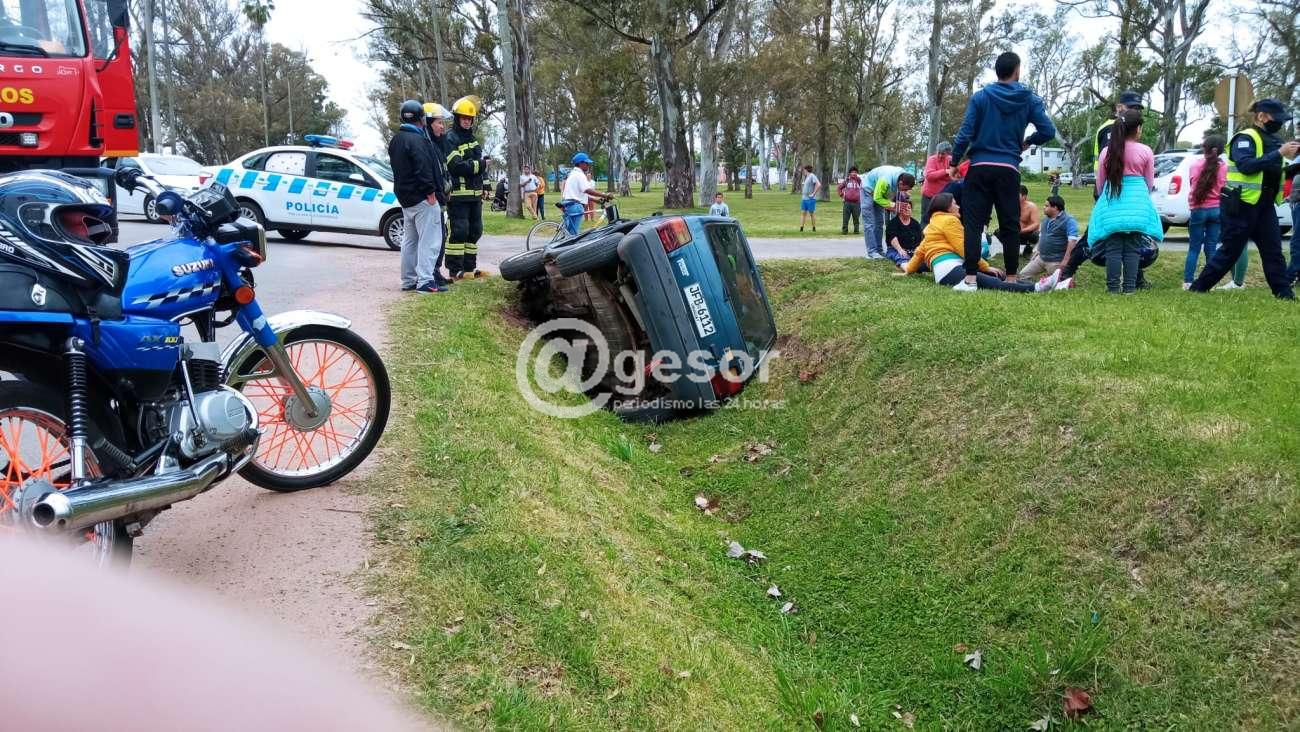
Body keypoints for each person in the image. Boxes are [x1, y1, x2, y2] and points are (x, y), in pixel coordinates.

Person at [947, 51, 1056, 291]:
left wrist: (954, 162)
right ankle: (1012, 278)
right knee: (1010, 224)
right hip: (1008, 168)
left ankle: (970, 279)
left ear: (997, 71)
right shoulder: (1029, 99)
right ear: (1017, 71)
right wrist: (1028, 142)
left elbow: (965, 132)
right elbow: (1047, 130)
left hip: (979, 167)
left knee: (974, 224)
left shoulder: (981, 97)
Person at [1189, 99, 1299, 299]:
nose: (1280, 123)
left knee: (1273, 251)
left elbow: (1275, 171)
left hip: (1264, 205)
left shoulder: (1275, 141)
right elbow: (1246, 166)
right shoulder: (1245, 138)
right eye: (1277, 118)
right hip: (1241, 204)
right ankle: (1198, 288)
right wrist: (1279, 153)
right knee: (1230, 251)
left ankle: (1284, 294)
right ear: (1261, 116)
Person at [897, 193, 1049, 292]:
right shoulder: (949, 221)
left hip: (947, 270)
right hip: (950, 268)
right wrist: (985, 266)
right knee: (993, 282)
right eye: (954, 203)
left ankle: (1040, 285)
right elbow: (964, 249)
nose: (958, 206)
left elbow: (920, 251)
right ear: (947, 207)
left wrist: (908, 269)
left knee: (998, 276)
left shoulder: (932, 225)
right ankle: (1037, 287)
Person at [1087, 108, 1161, 294]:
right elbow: (1149, 182)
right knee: (1133, 248)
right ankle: (1129, 288)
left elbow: (1100, 183)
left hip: (1112, 201)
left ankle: (1113, 289)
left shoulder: (1107, 152)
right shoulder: (1146, 151)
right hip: (1137, 203)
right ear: (1137, 129)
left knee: (1113, 247)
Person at [388, 99, 446, 294]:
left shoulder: (396, 140)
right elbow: (423, 168)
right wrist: (431, 193)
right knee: (430, 241)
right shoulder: (418, 140)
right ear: (422, 119)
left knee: (410, 241)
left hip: (406, 199)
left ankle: (409, 280)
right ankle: (425, 281)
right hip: (423, 198)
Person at [445, 95, 490, 279]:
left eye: (469, 119)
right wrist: (480, 165)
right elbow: (455, 166)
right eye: (464, 118)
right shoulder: (450, 138)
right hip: (458, 195)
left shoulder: (472, 139)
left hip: (475, 195)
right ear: (457, 118)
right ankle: (455, 270)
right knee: (459, 231)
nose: (467, 122)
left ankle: (469, 268)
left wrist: (486, 184)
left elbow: (481, 164)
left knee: (475, 230)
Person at [1184, 133, 1226, 290]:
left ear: (1204, 148)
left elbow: (1192, 185)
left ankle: (1188, 281)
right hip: (1216, 209)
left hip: (1198, 208)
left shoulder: (1195, 165)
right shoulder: (1224, 167)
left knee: (1194, 247)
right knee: (1211, 247)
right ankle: (1210, 282)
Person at [424, 102, 454, 286]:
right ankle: (432, 272)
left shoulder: (439, 144)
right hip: (433, 199)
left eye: (443, 123)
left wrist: (448, 189)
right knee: (436, 237)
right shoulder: (428, 145)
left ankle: (435, 270)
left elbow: (444, 171)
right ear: (429, 123)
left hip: (442, 197)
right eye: (439, 123)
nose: (442, 127)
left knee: (442, 234)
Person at [861, 165, 916, 259]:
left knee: (879, 222)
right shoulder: (885, 180)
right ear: (900, 183)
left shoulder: (903, 175)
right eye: (905, 189)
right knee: (869, 223)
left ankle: (879, 250)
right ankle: (872, 252)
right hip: (868, 190)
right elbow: (877, 198)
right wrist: (894, 205)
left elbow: (893, 196)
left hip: (880, 193)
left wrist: (899, 204)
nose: (905, 191)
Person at [1020, 195, 1078, 280]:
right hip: (1041, 258)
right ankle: (1035, 286)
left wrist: (1065, 261)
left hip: (1056, 262)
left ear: (1055, 208)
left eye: (1046, 206)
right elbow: (1042, 235)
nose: (1043, 207)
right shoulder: (1046, 218)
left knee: (1059, 283)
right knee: (1022, 275)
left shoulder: (1069, 220)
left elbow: (1072, 241)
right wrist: (1038, 250)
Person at [561, 152, 612, 237]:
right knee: (573, 236)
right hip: (575, 206)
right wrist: (604, 195)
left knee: (569, 233)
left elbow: (579, 194)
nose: (588, 165)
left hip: (569, 204)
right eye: (586, 163)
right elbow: (587, 190)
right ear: (580, 163)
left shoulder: (573, 174)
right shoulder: (579, 175)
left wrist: (595, 200)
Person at [1093, 91, 1145, 173]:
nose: (1135, 112)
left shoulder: (1133, 126)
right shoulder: (1110, 128)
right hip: (1110, 177)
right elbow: (1110, 159)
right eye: (1131, 108)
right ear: (1118, 107)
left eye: (1138, 109)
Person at [921, 141, 953, 224]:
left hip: (942, 197)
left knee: (941, 219)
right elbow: (929, 176)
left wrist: (939, 174)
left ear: (947, 154)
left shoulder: (950, 160)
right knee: (926, 219)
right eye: (938, 153)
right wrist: (945, 171)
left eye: (943, 154)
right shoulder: (932, 159)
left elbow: (952, 176)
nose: (940, 155)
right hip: (929, 195)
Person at [884, 199, 923, 269]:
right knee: (902, 256)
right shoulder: (893, 223)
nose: (907, 209)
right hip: (896, 249)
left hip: (912, 250)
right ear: (899, 210)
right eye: (904, 208)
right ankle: (908, 268)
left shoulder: (915, 224)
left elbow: (919, 240)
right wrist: (900, 250)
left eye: (909, 208)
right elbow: (893, 238)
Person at [837, 166, 862, 234]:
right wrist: (842, 195)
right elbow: (839, 188)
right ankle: (844, 231)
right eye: (852, 172)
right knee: (845, 218)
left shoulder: (859, 181)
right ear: (849, 173)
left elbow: (864, 188)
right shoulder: (846, 181)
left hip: (857, 203)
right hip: (847, 202)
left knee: (856, 218)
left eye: (855, 172)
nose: (854, 173)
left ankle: (856, 230)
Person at [1018, 185, 1040, 260]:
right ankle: (1012, 249)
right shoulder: (1011, 206)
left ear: (1024, 196)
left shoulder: (1031, 206)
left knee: (1036, 234)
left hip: (1028, 233)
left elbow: (1036, 224)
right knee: (999, 232)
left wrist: (1022, 230)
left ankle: (1028, 250)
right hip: (1015, 232)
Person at [799, 164, 821, 232]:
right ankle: (801, 228)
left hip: (810, 199)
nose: (803, 171)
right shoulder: (807, 177)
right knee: (803, 213)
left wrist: (813, 194)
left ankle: (814, 228)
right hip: (804, 198)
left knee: (811, 213)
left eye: (804, 170)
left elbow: (818, 184)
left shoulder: (812, 176)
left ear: (806, 170)